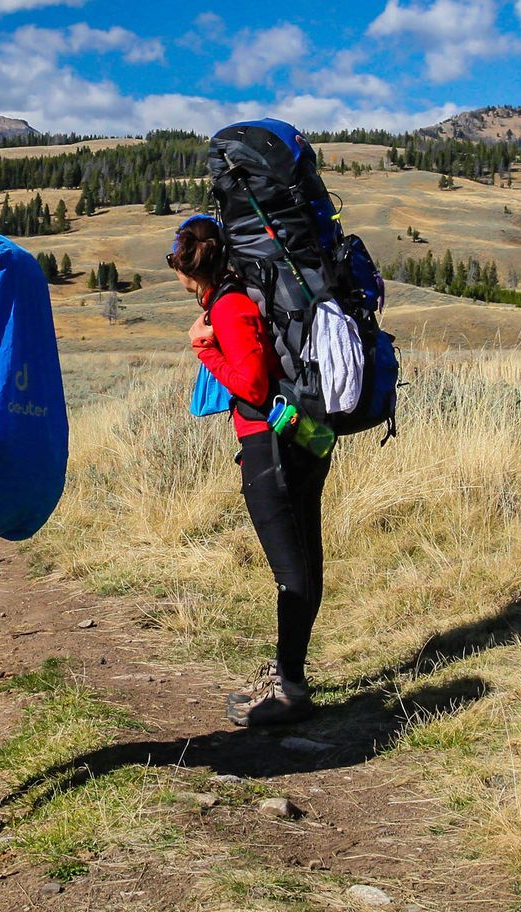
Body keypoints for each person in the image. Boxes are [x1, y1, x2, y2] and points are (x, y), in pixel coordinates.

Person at [167, 213, 329, 727]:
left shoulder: (231, 308)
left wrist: (204, 348)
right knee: (303, 563)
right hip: (293, 442)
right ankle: (290, 677)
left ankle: (288, 691)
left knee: (292, 573)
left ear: (192, 265)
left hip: (269, 448)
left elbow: (253, 387)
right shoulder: (240, 299)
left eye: (176, 260)